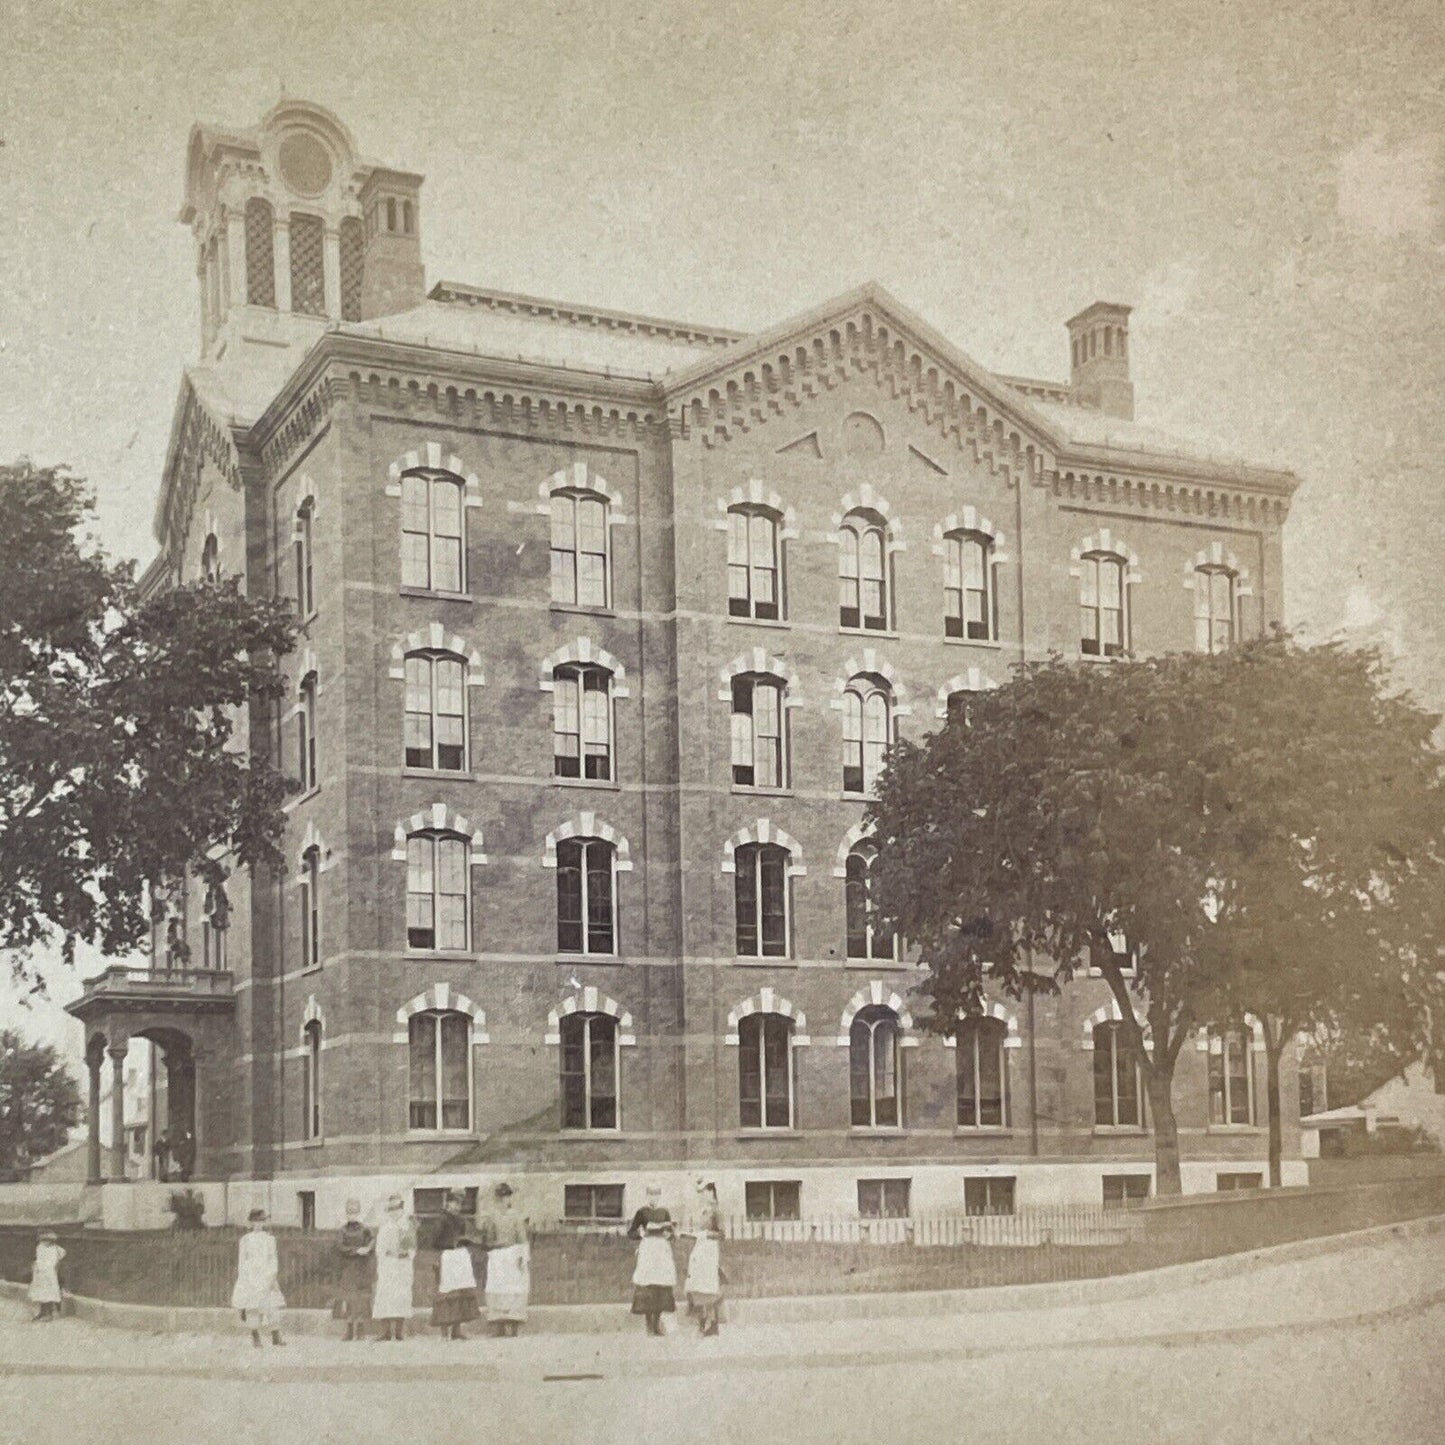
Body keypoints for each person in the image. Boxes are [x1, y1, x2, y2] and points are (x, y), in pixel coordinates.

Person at [476, 1182, 530, 1337]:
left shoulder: (516, 1217)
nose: (503, 1200)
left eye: (506, 1197)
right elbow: (487, 1240)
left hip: (513, 1256)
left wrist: (522, 1257)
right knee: (498, 1289)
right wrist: (493, 1244)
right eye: (500, 1197)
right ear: (496, 1199)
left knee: (514, 1289)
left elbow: (522, 1240)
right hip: (498, 1258)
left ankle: (514, 1327)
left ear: (509, 1198)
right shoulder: (491, 1217)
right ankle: (499, 1327)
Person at [627, 1184, 677, 1336]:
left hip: (661, 1250)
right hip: (649, 1249)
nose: (654, 1198)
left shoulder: (664, 1212)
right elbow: (631, 1232)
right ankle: (649, 1324)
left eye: (656, 1195)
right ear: (647, 1196)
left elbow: (671, 1232)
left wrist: (670, 1234)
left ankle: (657, 1324)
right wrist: (641, 1234)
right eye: (651, 1195)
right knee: (648, 1285)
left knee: (661, 1285)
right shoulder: (642, 1212)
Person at [430, 1190, 480, 1340]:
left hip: (460, 1257)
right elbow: (434, 1241)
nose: (456, 1207)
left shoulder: (460, 1220)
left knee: (460, 1292)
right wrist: (451, 1243)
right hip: (447, 1257)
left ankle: (456, 1330)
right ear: (447, 1204)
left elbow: (464, 1235)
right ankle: (444, 1331)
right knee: (447, 1294)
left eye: (459, 1204)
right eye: (454, 1203)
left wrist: (465, 1241)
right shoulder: (441, 1220)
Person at [231, 1208, 285, 1347]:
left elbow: (273, 1259)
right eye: (256, 1221)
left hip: (266, 1275)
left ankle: (276, 1335)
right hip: (251, 1277)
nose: (259, 1224)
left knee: (272, 1306)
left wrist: (272, 1275)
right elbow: (242, 1261)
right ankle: (255, 1336)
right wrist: (244, 1279)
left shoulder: (269, 1239)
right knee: (253, 1307)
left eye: (262, 1221)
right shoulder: (246, 1240)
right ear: (251, 1222)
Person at [372, 1195, 417, 1341]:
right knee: (386, 1297)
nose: (394, 1212)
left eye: (397, 1208)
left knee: (401, 1297)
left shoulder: (408, 1226)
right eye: (391, 1209)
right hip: (388, 1266)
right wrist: (389, 1254)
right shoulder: (385, 1228)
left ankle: (399, 1332)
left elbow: (412, 1248)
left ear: (402, 1209)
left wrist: (406, 1253)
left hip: (403, 1266)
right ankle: (385, 1332)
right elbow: (379, 1250)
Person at [684, 1182, 723, 1337]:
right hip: (700, 1250)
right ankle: (702, 1321)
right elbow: (700, 1231)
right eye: (701, 1193)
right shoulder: (703, 1212)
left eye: (706, 1192)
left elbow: (722, 1234)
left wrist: (705, 1235)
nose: (703, 1196)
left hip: (710, 1251)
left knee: (709, 1286)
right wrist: (692, 1234)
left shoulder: (717, 1211)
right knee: (698, 1285)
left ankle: (713, 1325)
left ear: (712, 1193)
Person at [331, 1199, 374, 1341]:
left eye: (355, 1212)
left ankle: (360, 1330)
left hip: (362, 1267)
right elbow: (340, 1247)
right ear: (346, 1214)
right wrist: (356, 1250)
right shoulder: (342, 1230)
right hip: (348, 1268)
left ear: (359, 1213)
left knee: (361, 1298)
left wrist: (367, 1249)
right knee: (349, 1299)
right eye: (350, 1213)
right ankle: (349, 1330)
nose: (352, 1216)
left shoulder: (365, 1229)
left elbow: (372, 1242)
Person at [28, 1230, 64, 1322]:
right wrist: (35, 1267)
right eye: (44, 1239)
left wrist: (50, 1268)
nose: (45, 1242)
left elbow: (54, 1262)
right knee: (41, 1293)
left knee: (49, 1293)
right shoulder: (40, 1248)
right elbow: (38, 1260)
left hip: (49, 1274)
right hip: (40, 1274)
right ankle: (42, 1312)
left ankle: (49, 1313)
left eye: (48, 1240)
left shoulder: (55, 1249)